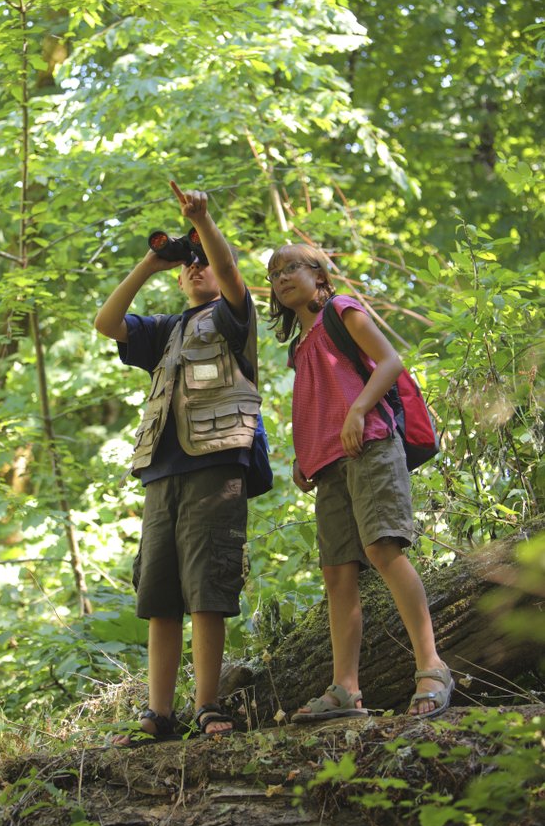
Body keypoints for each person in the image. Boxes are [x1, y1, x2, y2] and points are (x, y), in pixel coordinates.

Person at [94, 181, 262, 742]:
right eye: (187, 265)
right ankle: (158, 715)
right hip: (162, 473)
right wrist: (152, 261)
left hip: (216, 468)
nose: (196, 269)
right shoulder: (166, 330)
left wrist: (203, 226)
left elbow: (232, 275)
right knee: (159, 593)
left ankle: (208, 707)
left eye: (202, 264)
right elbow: (106, 321)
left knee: (207, 588)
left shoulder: (235, 317)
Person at [266, 242, 453, 721]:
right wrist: (304, 458)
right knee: (337, 574)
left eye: (291, 267)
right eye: (274, 273)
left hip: (370, 445)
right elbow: (314, 405)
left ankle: (432, 667)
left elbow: (390, 361)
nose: (282, 277)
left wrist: (359, 409)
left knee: (383, 550)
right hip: (329, 466)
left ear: (319, 276)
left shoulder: (341, 311)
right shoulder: (299, 348)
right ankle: (345, 689)